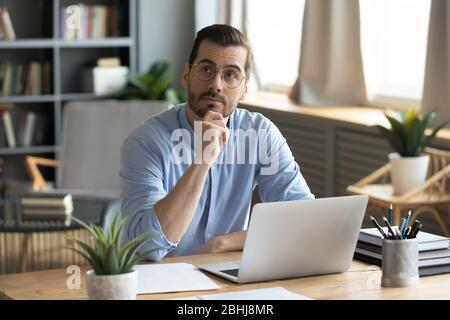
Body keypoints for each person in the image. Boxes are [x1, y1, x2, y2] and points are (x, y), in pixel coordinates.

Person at [120, 24, 314, 262]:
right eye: (206, 70)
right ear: (186, 75)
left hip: (226, 279)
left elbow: (305, 219)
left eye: (230, 74)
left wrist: (226, 243)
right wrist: (202, 160)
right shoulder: (145, 142)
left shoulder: (260, 134)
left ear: (244, 89)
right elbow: (148, 247)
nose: (217, 84)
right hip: (159, 283)